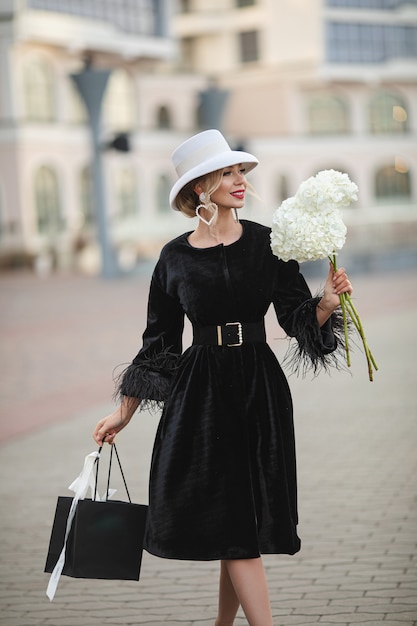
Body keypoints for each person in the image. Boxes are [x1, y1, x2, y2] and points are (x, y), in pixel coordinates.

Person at [93, 129, 352, 626]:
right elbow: (159, 345)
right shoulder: (175, 258)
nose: (240, 181)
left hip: (259, 389)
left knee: (243, 523)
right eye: (227, 172)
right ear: (199, 187)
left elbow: (295, 317)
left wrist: (324, 304)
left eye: (240, 171)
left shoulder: (267, 243)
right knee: (234, 524)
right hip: (201, 398)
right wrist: (121, 415)